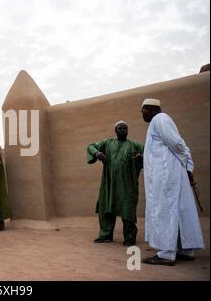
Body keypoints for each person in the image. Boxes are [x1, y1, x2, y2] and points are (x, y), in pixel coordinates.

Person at [140, 98, 204, 266]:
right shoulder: (159, 121)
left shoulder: (159, 119)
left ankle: (166, 254)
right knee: (180, 210)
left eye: (144, 110)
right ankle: (185, 250)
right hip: (169, 176)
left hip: (167, 176)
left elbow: (177, 143)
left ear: (152, 109)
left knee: (165, 211)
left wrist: (188, 165)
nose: (142, 114)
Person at [87, 120, 144, 246]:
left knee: (128, 209)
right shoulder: (107, 143)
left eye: (125, 128)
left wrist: (141, 158)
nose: (123, 130)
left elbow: (148, 154)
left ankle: (129, 237)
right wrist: (97, 153)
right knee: (105, 207)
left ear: (128, 131)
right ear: (115, 131)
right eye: (120, 128)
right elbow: (91, 146)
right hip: (109, 183)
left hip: (127, 184)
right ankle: (105, 235)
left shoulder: (134, 145)